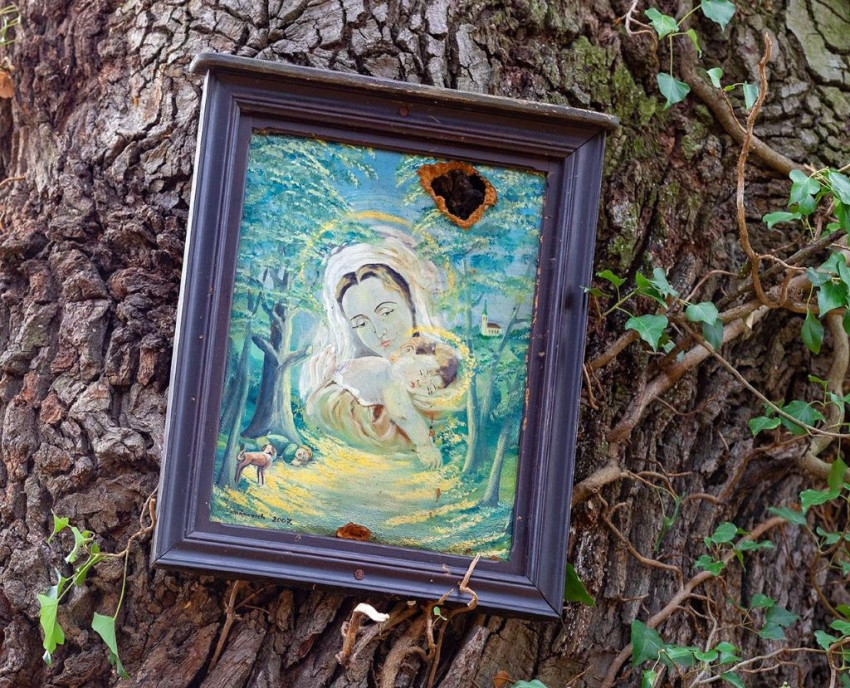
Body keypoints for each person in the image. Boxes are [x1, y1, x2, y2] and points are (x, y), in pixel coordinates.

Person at [300, 235, 464, 468]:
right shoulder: (382, 374)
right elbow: (401, 413)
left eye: (386, 312)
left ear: (411, 303)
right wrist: (425, 445)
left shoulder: (444, 363)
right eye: (361, 323)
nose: (378, 331)